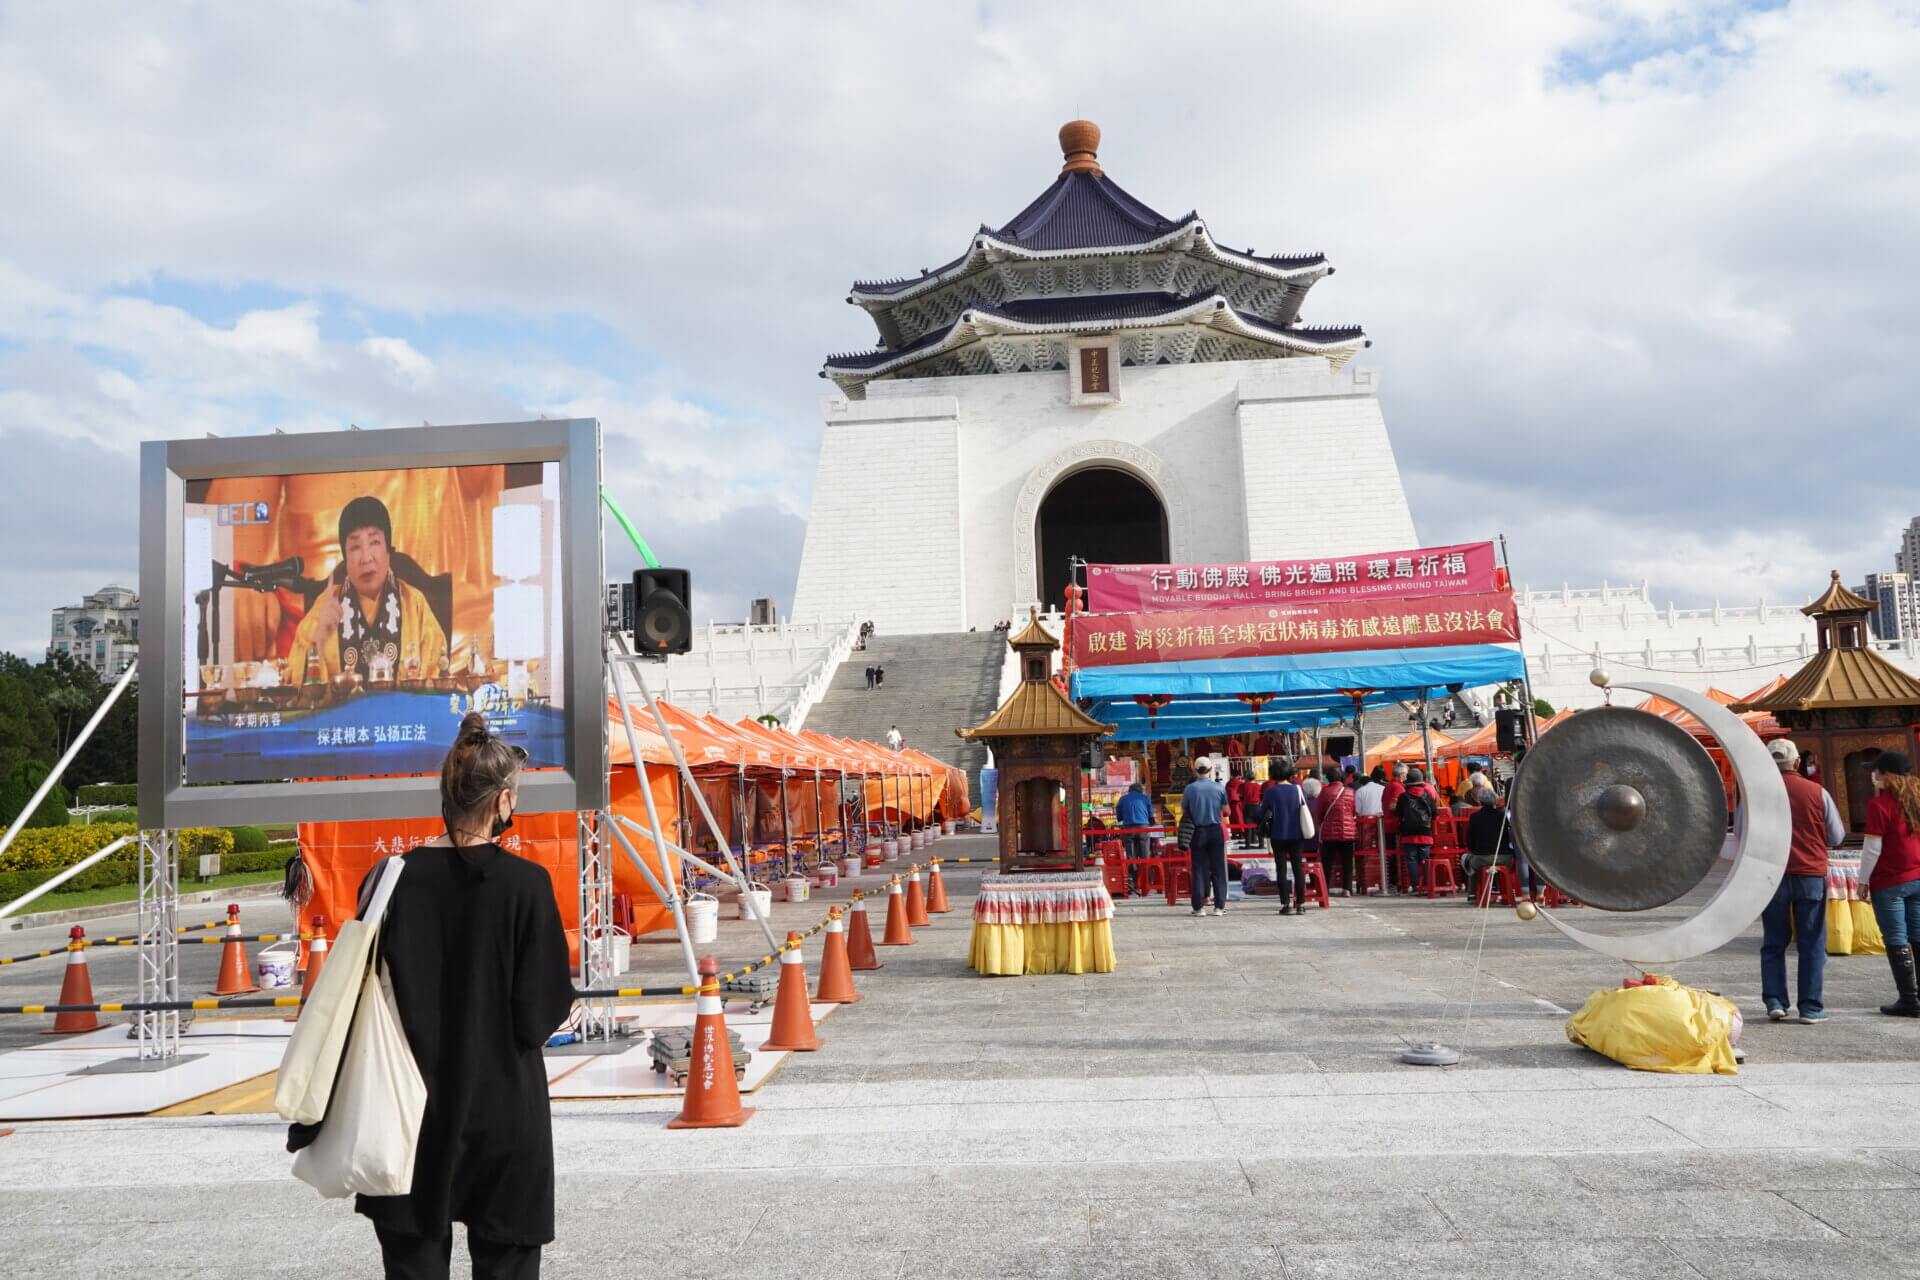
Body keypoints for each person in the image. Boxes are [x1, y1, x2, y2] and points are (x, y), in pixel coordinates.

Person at [338, 712, 574, 1279]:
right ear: (501, 803)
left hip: (404, 1107)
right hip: (502, 1109)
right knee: (507, 1263)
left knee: (412, 1262)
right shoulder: (526, 885)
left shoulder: (387, 878)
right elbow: (540, 1011)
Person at [286, 495, 448, 686]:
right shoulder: (325, 606)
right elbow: (297, 689)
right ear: (345, 558)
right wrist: (321, 634)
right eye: (355, 547)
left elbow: (437, 676)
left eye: (374, 542)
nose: (365, 558)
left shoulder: (414, 603)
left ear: (389, 550)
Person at [1759, 738, 1844, 1024]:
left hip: (1771, 877)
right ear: (1796, 762)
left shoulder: (1757, 795)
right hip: (1810, 875)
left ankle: (1775, 1001)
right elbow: (1837, 836)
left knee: (1773, 942)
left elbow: (1742, 837)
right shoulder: (1817, 792)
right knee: (1811, 943)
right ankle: (1810, 1007)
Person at [1863, 750, 1920, 1018]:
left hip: (1890, 880)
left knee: (1896, 938)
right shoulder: (1917, 799)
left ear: (1886, 774)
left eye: (1876, 771)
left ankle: (1909, 999)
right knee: (1918, 935)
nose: (1873, 776)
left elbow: (1873, 848)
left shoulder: (1880, 805)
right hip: (1917, 877)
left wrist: (1862, 881)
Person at [1260, 759, 1309, 916]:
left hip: (1278, 834)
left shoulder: (1270, 792)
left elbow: (1261, 814)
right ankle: (1300, 904)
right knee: (1297, 868)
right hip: (1297, 834)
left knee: (1280, 869)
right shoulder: (1297, 789)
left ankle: (1286, 904)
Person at [1181, 761, 1229, 917]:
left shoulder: (1190, 788)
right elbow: (1226, 811)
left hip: (1198, 831)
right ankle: (1219, 907)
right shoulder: (1219, 787)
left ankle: (1199, 907)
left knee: (1199, 869)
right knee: (1218, 869)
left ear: (1195, 769)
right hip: (1216, 830)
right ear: (1210, 769)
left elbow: (1184, 809)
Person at [1461, 788, 1517, 891]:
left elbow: (1470, 842)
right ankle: (1500, 888)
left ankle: (1473, 892)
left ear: (1480, 801)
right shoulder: (1502, 816)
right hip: (1505, 857)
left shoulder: (1475, 817)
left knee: (1466, 858)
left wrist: (1474, 850)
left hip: (1482, 857)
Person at [1395, 767, 1440, 892]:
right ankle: (1426, 885)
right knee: (1425, 859)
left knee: (1411, 860)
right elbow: (1435, 814)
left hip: (1408, 834)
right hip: (1426, 833)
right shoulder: (1428, 795)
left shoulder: (1403, 797)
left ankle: (1415, 885)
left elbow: (1398, 814)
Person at [1315, 767, 1357, 894]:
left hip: (1329, 833)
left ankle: (1325, 888)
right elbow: (1354, 811)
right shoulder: (1350, 792)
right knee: (1347, 863)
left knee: (1327, 862)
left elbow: (1319, 813)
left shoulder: (1324, 792)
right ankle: (1347, 889)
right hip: (1348, 833)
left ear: (1328, 778)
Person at [1115, 782, 1155, 873]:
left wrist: (1121, 818)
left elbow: (1119, 813)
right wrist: (1151, 822)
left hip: (1128, 827)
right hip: (1142, 827)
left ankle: (1133, 877)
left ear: (1130, 790)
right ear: (1140, 790)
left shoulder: (1123, 799)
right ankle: (1146, 875)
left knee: (1131, 854)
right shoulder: (1144, 798)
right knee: (1145, 853)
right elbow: (1150, 814)